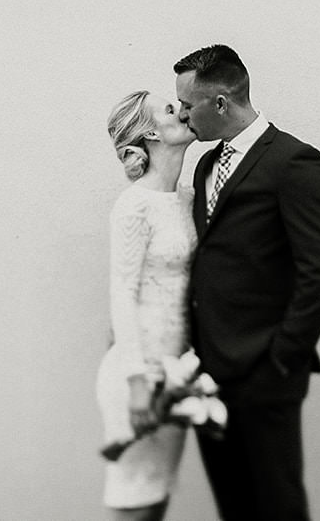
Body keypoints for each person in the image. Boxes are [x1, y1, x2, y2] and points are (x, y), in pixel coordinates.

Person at [175, 45, 320, 521]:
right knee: (235, 506)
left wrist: (282, 358)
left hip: (265, 374)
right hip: (210, 374)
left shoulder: (294, 162)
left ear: (222, 103)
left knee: (277, 504)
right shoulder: (207, 165)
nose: (183, 116)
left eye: (189, 105)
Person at [96, 90, 198, 521]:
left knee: (155, 502)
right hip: (139, 374)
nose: (185, 112)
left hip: (176, 370)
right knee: (134, 501)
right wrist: (137, 381)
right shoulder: (134, 205)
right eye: (173, 109)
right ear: (152, 133)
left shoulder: (187, 199)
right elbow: (122, 292)